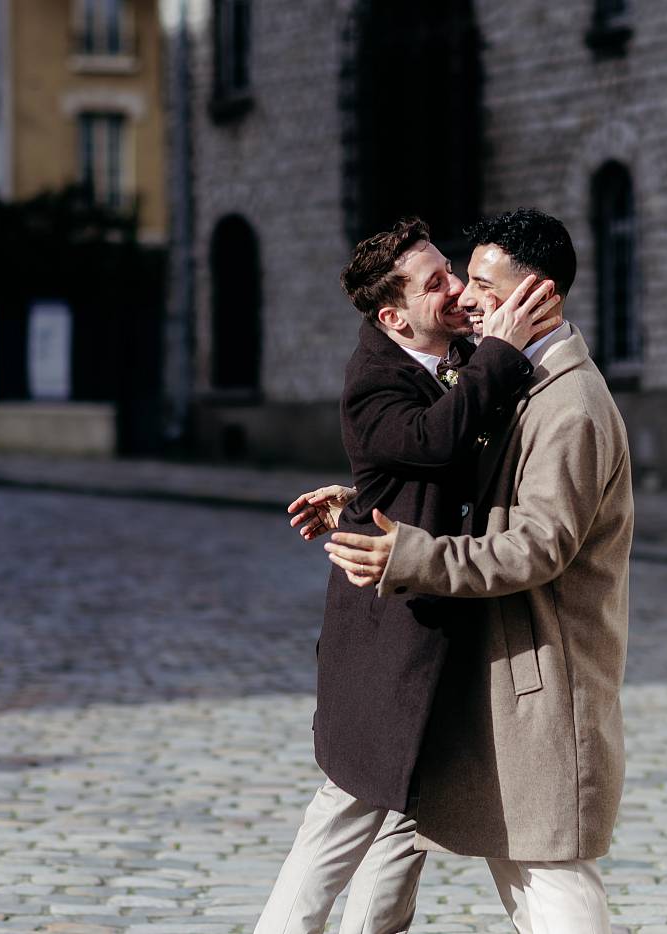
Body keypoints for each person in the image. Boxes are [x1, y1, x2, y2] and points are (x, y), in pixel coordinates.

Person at [324, 208, 634, 933]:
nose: (467, 298)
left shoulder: (571, 406)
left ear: (542, 297)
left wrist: (410, 555)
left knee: (552, 878)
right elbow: (467, 483)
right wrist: (359, 498)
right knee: (513, 871)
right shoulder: (518, 377)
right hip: (501, 676)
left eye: (486, 287)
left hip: (543, 681)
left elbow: (537, 545)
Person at [255, 216, 561, 934]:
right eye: (436, 284)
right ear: (393, 317)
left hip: (446, 624)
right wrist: (502, 351)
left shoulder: (453, 354)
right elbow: (435, 440)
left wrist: (358, 499)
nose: (455, 288)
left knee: (406, 825)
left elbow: (448, 466)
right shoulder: (373, 381)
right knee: (344, 813)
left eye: (451, 271)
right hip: (390, 642)